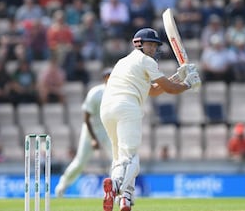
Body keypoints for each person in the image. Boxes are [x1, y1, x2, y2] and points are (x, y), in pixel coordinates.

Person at [100, 28, 201, 211]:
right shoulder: (147, 61)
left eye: (155, 45)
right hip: (127, 107)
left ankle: (125, 200)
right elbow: (169, 89)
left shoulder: (123, 62)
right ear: (139, 44)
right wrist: (188, 84)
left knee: (119, 158)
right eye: (150, 44)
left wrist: (178, 76)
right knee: (131, 158)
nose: (153, 49)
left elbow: (153, 90)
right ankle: (115, 186)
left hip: (107, 110)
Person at [54, 68, 112, 197]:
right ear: (105, 78)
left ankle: (115, 190)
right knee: (80, 162)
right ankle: (62, 186)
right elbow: (86, 118)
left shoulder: (118, 93)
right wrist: (93, 138)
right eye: (109, 76)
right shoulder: (95, 93)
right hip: (91, 129)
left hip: (107, 130)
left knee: (116, 159)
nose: (111, 78)